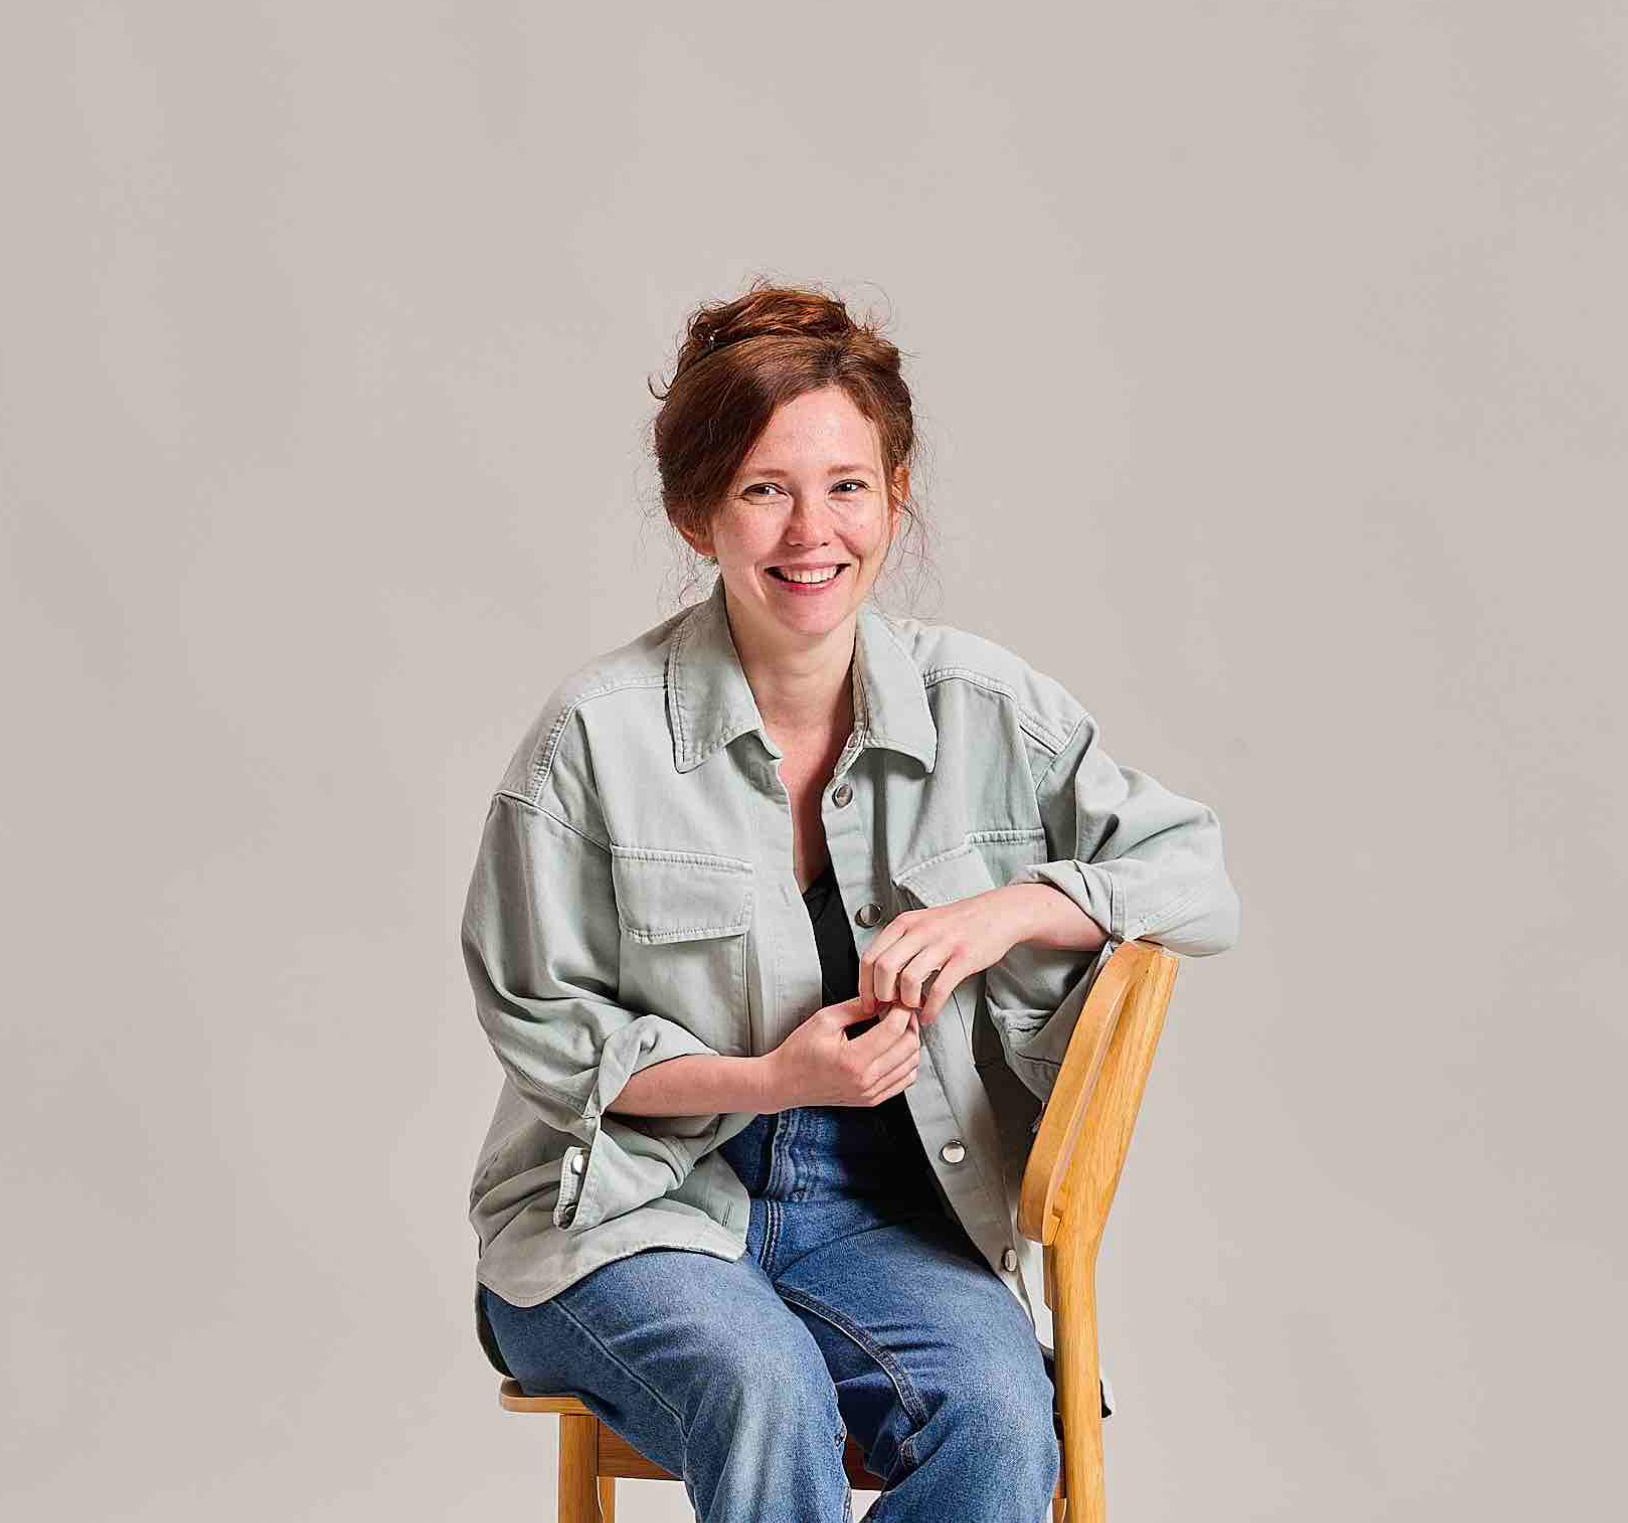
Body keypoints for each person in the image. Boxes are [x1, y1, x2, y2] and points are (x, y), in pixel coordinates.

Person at [461, 279, 1241, 1522]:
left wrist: (1013, 905)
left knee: (997, 1410)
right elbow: (550, 1035)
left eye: (845, 485)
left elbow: (1191, 872)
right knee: (758, 1381)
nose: (809, 531)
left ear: (895, 496)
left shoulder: (988, 707)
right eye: (764, 488)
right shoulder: (593, 739)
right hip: (624, 1210)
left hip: (879, 1214)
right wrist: (772, 1081)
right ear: (695, 511)